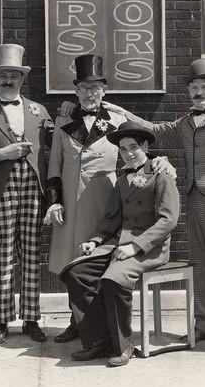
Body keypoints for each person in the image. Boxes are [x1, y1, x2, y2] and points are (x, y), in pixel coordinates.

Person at [97, 58, 205, 353]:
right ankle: (203, 326)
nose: (198, 92)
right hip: (194, 202)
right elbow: (154, 128)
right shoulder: (186, 123)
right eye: (194, 87)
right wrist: (120, 112)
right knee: (201, 266)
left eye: (204, 87)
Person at [45, 54, 174, 344]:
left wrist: (160, 161)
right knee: (70, 263)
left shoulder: (116, 120)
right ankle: (75, 322)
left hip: (104, 202)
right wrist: (54, 200)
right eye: (84, 88)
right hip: (69, 202)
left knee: (95, 260)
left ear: (104, 90)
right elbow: (54, 163)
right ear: (76, 91)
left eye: (95, 88)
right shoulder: (64, 119)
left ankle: (98, 325)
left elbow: (137, 148)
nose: (90, 94)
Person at [61, 121, 180, 367]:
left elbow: (168, 220)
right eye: (123, 149)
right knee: (77, 272)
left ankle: (123, 345)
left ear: (145, 146)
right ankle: (98, 340)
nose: (128, 153)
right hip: (119, 243)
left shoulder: (162, 175)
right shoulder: (124, 178)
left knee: (113, 280)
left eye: (133, 147)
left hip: (150, 248)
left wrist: (135, 246)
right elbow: (111, 218)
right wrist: (95, 241)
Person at [0, 44, 53, 344]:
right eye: (2, 75)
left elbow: (56, 146)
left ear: (21, 79)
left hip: (32, 189)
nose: (8, 80)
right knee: (1, 257)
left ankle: (31, 319)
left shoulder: (39, 111)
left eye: (13, 75)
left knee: (31, 254)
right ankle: (1, 321)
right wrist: (2, 153)